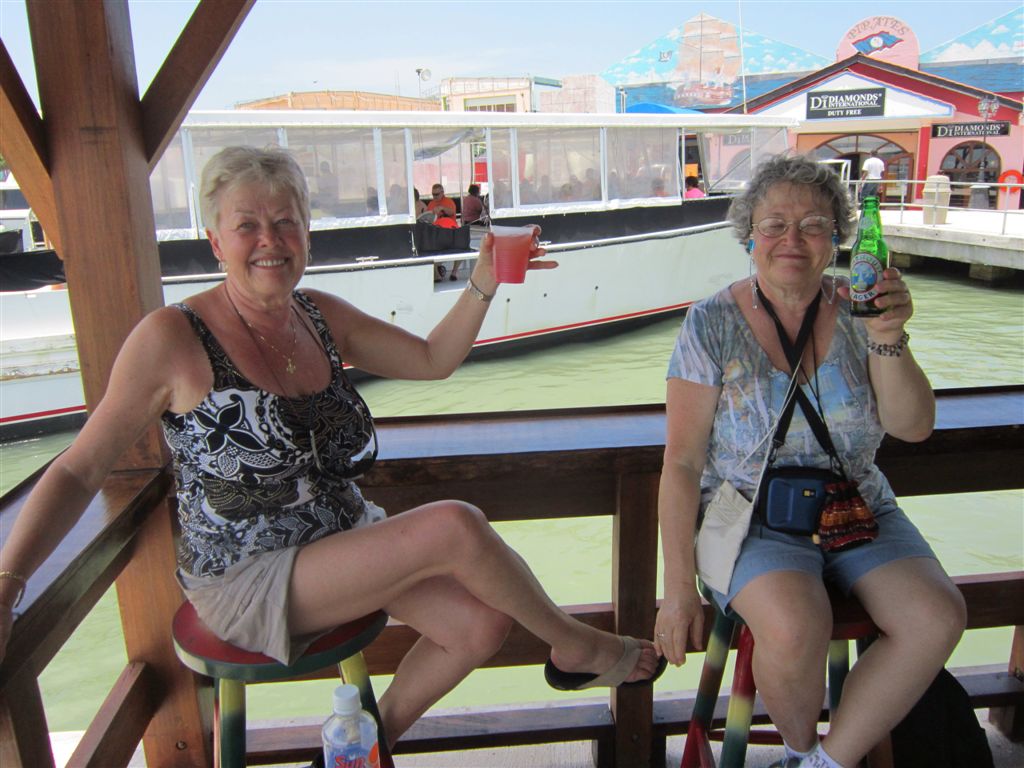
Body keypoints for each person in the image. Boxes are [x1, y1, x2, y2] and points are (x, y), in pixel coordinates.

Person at [0, 146, 664, 750]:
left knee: (478, 628)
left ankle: (362, 750)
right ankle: (577, 646)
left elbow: (432, 360)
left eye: (286, 222)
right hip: (245, 576)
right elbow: (80, 469)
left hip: (340, 536)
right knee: (455, 525)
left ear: (307, 235)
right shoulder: (171, 338)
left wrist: (483, 281)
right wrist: (7, 587)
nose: (270, 240)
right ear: (215, 240)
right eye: (247, 225)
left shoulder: (316, 313)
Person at [654, 154, 965, 768]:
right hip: (747, 514)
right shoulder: (710, 322)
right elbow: (682, 463)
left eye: (813, 225)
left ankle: (823, 763)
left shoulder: (861, 310)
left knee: (935, 615)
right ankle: (799, 747)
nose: (791, 240)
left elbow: (913, 426)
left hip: (855, 503)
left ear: (838, 238)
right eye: (774, 225)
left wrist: (889, 334)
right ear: (749, 236)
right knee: (796, 623)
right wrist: (677, 588)